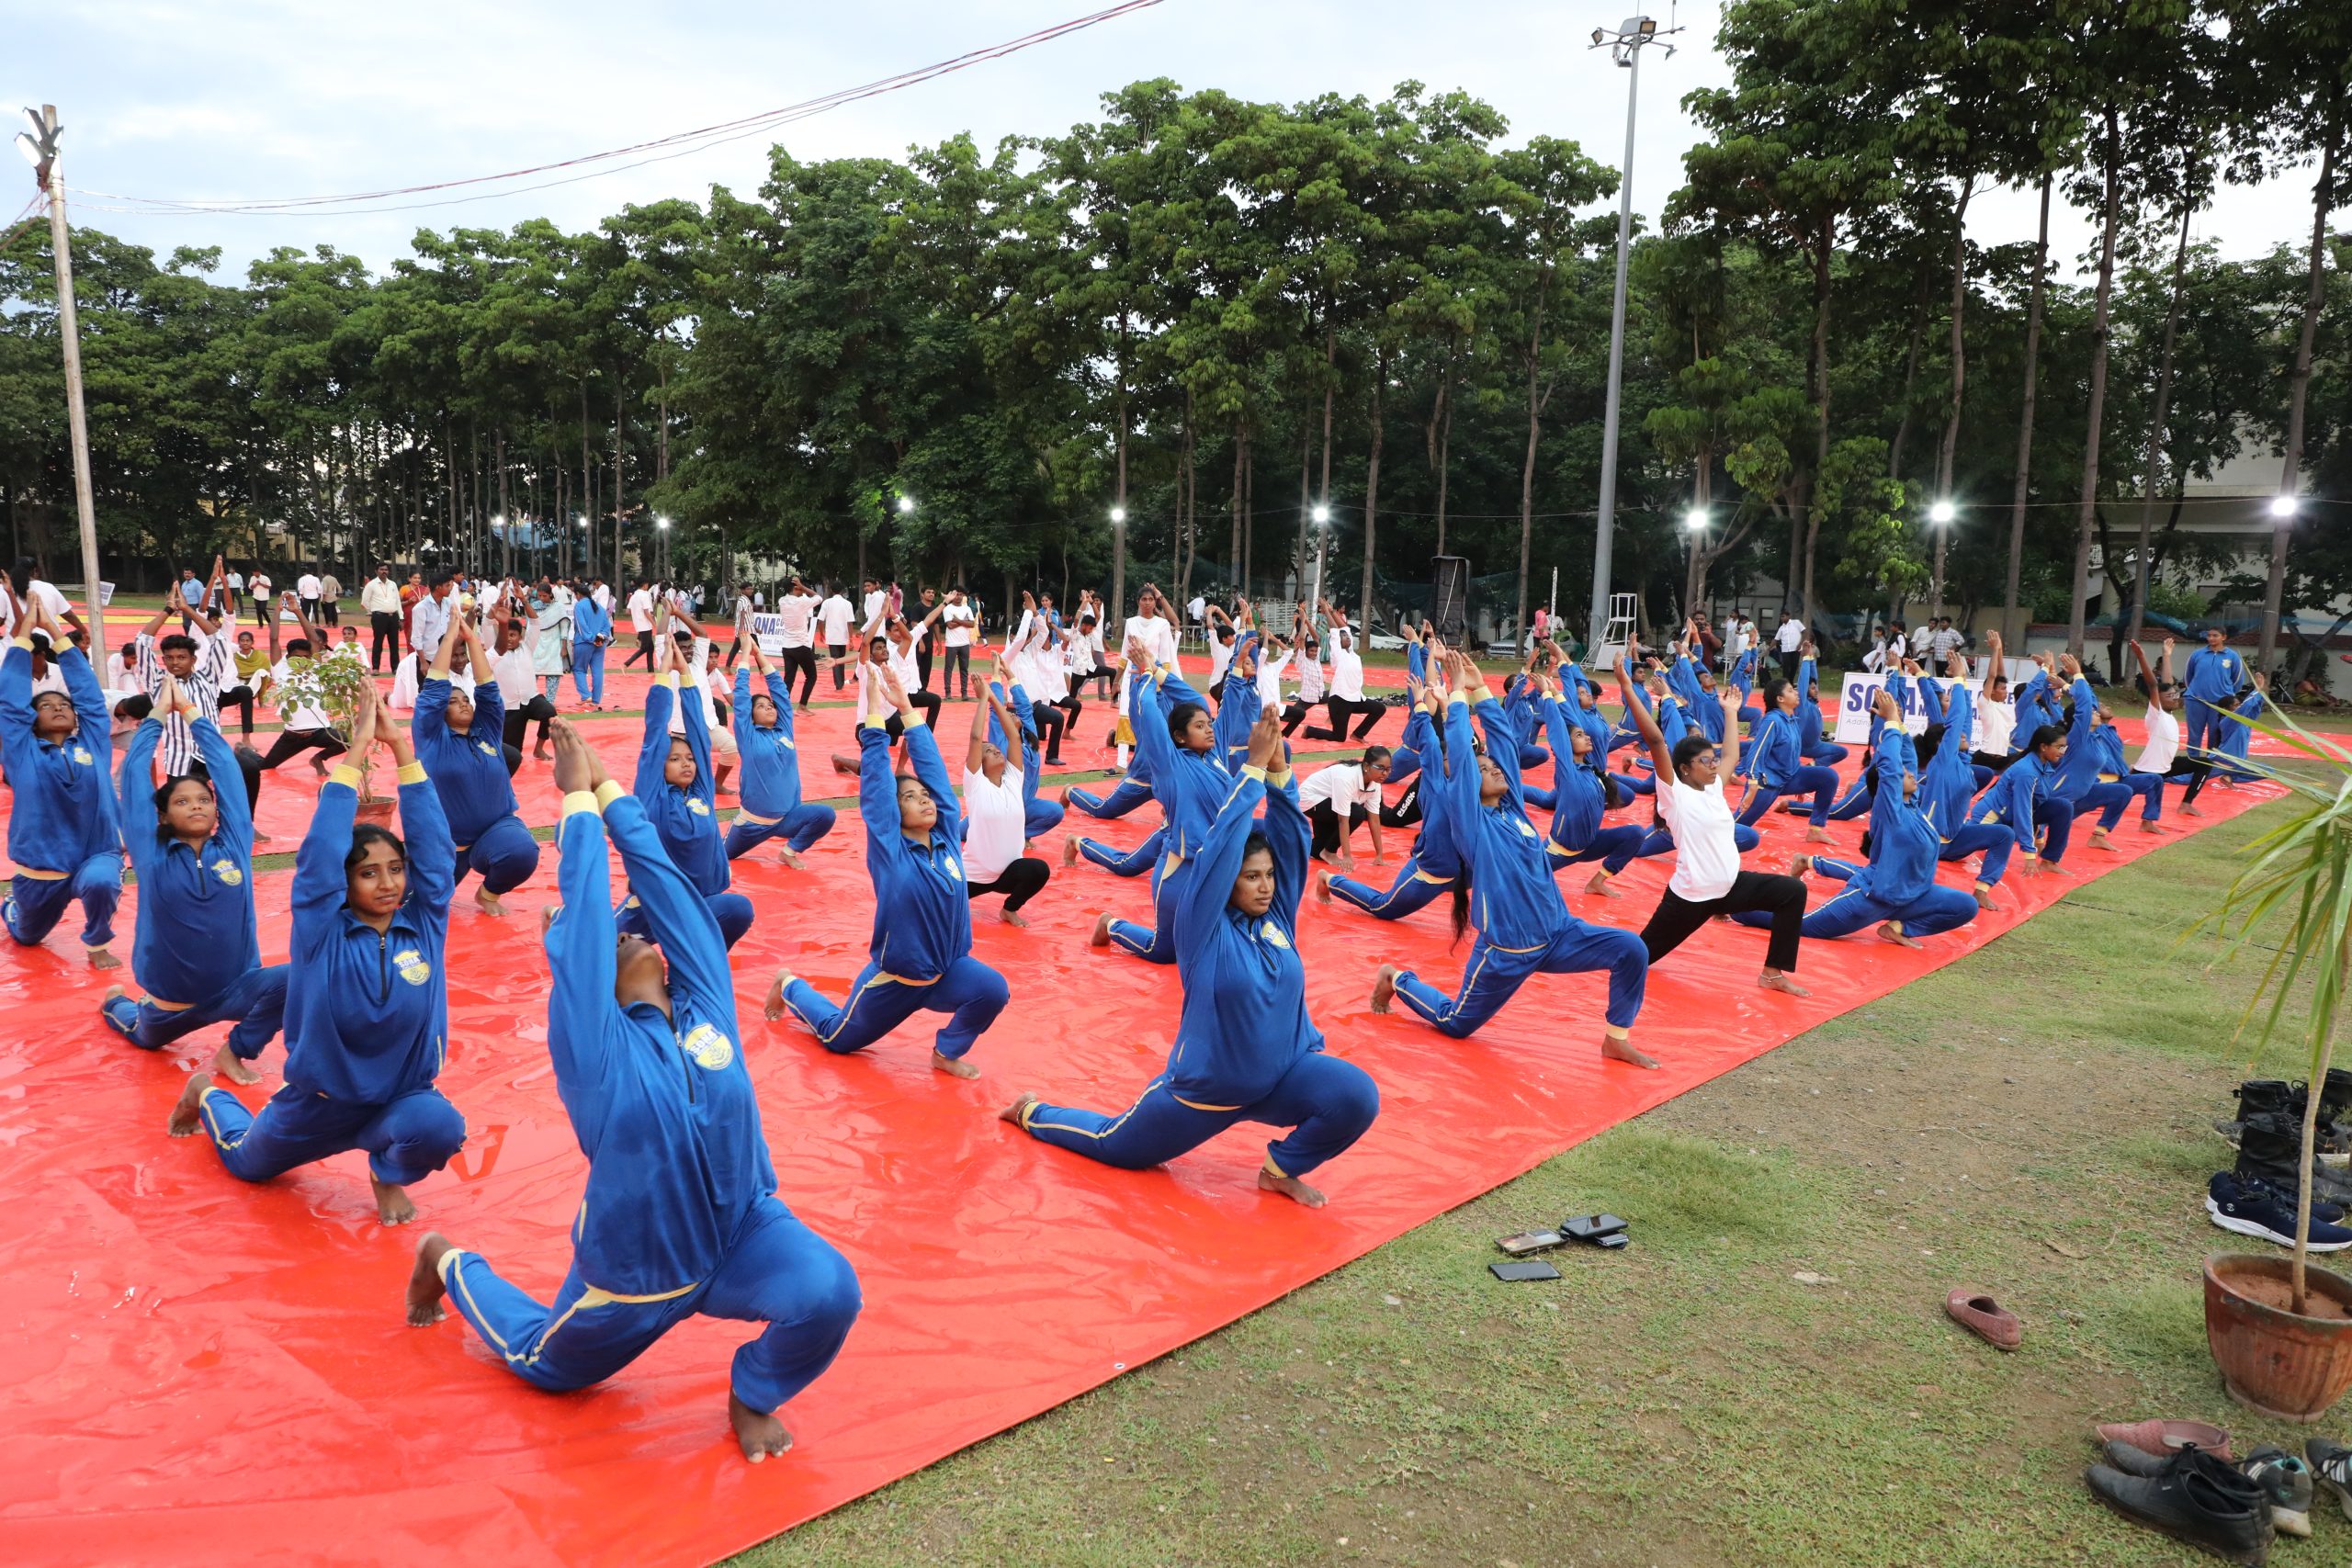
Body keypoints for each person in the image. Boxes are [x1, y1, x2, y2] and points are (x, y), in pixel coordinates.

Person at [403, 719, 859, 1464]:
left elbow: (676, 900)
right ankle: (448, 1260)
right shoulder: (596, 1048)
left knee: (832, 1291)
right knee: (542, 1366)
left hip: (743, 1233)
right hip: (637, 1268)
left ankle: (753, 1391)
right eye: (614, 941)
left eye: (632, 933)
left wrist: (612, 794)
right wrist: (575, 807)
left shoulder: (704, 1007)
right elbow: (581, 929)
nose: (629, 936)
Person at [1005, 712, 1379, 1206]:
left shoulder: (1277, 918)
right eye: (1251, 877)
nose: (1265, 885)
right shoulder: (1202, 925)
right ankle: (1032, 1112)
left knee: (1357, 1096)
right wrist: (1249, 773)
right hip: (1206, 1092)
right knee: (1115, 1144)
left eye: (1267, 875)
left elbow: (1294, 844)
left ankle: (1279, 1169)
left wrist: (1281, 773)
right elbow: (1220, 847)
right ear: (1226, 881)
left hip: (1286, 1074)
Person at [166, 676, 464, 1224]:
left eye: (396, 870)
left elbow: (438, 857)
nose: (387, 883)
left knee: (441, 1127)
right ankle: (207, 1095)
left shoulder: (424, 924)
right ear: (344, 885)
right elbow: (321, 855)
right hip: (317, 1107)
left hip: (397, 1102)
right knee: (246, 1166)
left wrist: (401, 749)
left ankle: (385, 1172)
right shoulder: (321, 932)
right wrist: (353, 756)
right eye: (368, 874)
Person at [1370, 650, 1655, 1066]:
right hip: (1506, 951)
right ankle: (1396, 979)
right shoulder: (1470, 819)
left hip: (1559, 935)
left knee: (1631, 948)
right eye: (1486, 771)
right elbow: (1463, 760)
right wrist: (1453, 696)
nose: (1496, 771)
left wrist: (1481, 688)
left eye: (1496, 769)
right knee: (1455, 1023)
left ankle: (1616, 1037)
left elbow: (1503, 742)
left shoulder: (1514, 810)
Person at [763, 661, 1008, 1076]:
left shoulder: (947, 836)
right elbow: (876, 785)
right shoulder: (890, 850)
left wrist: (908, 709)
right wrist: (875, 710)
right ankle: (790, 986)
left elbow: (934, 772)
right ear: (895, 813)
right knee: (837, 1039)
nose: (925, 800)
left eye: (924, 795)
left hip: (948, 972)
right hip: (897, 982)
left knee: (992, 990)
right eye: (912, 798)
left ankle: (946, 1052)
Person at [101, 675, 288, 1079]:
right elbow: (134, 777)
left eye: (204, 799)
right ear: (164, 815)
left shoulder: (234, 844)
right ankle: (117, 1004)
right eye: (182, 801)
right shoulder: (151, 852)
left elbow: (228, 774)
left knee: (302, 980)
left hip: (235, 991)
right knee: (138, 1030)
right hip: (172, 1005)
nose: (197, 806)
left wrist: (191, 713)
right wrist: (155, 717)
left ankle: (236, 1051)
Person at [1614, 652, 1810, 997]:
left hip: (1730, 887)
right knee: (1636, 959)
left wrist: (1732, 713)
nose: (1713, 764)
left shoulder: (1714, 785)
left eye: (1712, 759)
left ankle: (1772, 973)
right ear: (1685, 768)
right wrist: (1628, 688)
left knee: (1792, 892)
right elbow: (1658, 741)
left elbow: (1733, 756)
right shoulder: (1674, 794)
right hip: (1691, 898)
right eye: (1705, 761)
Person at [1769, 690, 1978, 949]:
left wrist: (1898, 724)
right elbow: (1891, 765)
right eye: (1903, 775)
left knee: (1966, 906)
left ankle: (1898, 928)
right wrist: (1889, 724)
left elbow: (1907, 759)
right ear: (1889, 784)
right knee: (1800, 926)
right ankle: (1736, 908)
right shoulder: (1890, 808)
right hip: (1872, 899)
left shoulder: (1912, 803)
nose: (1911, 776)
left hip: (1912, 896)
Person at [3, 597, 124, 969]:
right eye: (45, 706)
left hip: (96, 854)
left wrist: (57, 633)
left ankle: (97, 943)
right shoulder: (22, 752)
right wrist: (25, 633)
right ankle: (11, 907)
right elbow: (9, 700)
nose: (58, 707)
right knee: (26, 937)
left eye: (64, 705)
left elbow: (88, 697)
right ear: (31, 721)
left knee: (103, 881)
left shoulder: (93, 745)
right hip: (42, 870)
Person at [623, 642, 754, 950]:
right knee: (599, 958)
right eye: (675, 759)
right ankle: (563, 919)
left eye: (690, 759)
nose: (686, 763)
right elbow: (655, 732)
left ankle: (701, 959)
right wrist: (664, 675)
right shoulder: (652, 797)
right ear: (660, 765)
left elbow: (696, 728)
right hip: (655, 906)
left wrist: (687, 675)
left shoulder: (701, 791)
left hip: (698, 900)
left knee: (739, 909)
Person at [413, 616, 539, 917]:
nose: (464, 703)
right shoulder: (432, 739)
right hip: (448, 845)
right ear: (440, 714)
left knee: (523, 851)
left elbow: (488, 691)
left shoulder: (487, 731)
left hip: (495, 829)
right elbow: (433, 690)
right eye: (453, 701)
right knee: (420, 906)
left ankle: (487, 893)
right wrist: (449, 640)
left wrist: (472, 641)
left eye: (465, 699)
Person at [725, 639, 836, 869]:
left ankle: (788, 852)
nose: (769, 707)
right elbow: (742, 696)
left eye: (770, 705)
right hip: (752, 824)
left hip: (787, 819)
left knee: (826, 815)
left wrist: (759, 654)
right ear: (751, 715)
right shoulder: (748, 735)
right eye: (761, 706)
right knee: (716, 859)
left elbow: (780, 691)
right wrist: (746, 653)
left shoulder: (784, 728)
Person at [962, 674, 1052, 925]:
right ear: (980, 764)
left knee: (1039, 870)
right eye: (989, 752)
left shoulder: (1014, 778)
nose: (996, 750)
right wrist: (982, 700)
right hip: (973, 876)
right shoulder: (975, 784)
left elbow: (1013, 736)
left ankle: (1009, 909)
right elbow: (975, 739)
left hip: (1008, 873)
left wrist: (992, 697)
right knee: (935, 906)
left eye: (996, 748)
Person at [1736, 676, 1840, 835]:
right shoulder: (1772, 721)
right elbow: (1756, 753)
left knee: (1828, 777)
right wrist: (1753, 785)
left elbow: (1792, 753)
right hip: (1766, 784)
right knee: (1736, 828)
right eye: (1791, 690)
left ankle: (1815, 830)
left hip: (1791, 777)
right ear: (1780, 699)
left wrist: (1804, 781)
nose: (1797, 693)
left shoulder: (1792, 719)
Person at [1300, 746, 1392, 868]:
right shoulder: (1347, 777)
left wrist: (1379, 855)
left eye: (1388, 769)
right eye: (1380, 768)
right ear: (1366, 766)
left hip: (1329, 799)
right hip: (1311, 799)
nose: (1385, 773)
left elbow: (1374, 819)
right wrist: (1346, 856)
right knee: (1357, 813)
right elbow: (1343, 820)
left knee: (1317, 851)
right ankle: (1329, 852)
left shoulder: (1375, 783)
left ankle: (1304, 849)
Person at [1306, 603, 1384, 741]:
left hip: (1356, 699)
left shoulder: (1353, 654)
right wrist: (1326, 612)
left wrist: (1332, 611)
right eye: (1344, 637)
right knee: (1339, 737)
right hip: (1340, 701)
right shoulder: (1338, 654)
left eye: (1348, 637)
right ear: (1338, 642)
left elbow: (1344, 628)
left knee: (1379, 709)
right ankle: (1310, 731)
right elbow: (1335, 631)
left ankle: (1358, 734)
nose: (1347, 638)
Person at [491, 615, 557, 761]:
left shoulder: (527, 648)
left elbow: (535, 622)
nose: (508, 638)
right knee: (514, 753)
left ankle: (539, 748)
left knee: (549, 712)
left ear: (520, 637)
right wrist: (495, 610)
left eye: (513, 635)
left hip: (531, 699)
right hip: (509, 706)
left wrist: (524, 601)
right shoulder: (494, 652)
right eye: (505, 635)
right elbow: (487, 625)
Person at [2181, 625, 2247, 758]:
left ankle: (2210, 765)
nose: (2211, 638)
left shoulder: (2233, 657)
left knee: (2215, 735)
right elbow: (2188, 676)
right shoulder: (2197, 654)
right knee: (2194, 735)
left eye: (2215, 635)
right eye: (2209, 635)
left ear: (2224, 637)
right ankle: (2192, 763)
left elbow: (2237, 680)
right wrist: (2194, 692)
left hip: (2220, 705)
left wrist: (2226, 697)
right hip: (2196, 700)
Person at [775, 577, 822, 705]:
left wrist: (800, 587)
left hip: (787, 646)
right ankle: (802, 705)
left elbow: (805, 598)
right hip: (801, 645)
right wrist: (804, 587)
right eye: (800, 587)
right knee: (812, 676)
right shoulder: (800, 603)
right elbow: (818, 597)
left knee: (789, 679)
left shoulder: (782, 601)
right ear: (796, 588)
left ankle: (782, 706)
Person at [570, 580, 611, 710]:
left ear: (578, 594)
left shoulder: (579, 605)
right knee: (597, 671)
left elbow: (581, 626)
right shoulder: (599, 607)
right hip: (600, 643)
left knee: (579, 669)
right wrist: (601, 637)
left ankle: (585, 694)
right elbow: (606, 626)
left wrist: (590, 638)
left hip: (584, 642)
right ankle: (596, 699)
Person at [363, 564, 402, 671]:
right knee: (378, 642)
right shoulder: (371, 585)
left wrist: (401, 618)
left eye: (386, 570)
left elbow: (397, 601)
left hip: (393, 616)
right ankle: (376, 668)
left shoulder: (393, 584)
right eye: (381, 569)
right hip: (379, 617)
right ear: (376, 571)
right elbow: (365, 601)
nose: (384, 571)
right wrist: (373, 612)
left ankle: (395, 668)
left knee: (394, 644)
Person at [939, 587, 977, 698]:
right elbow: (950, 626)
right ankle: (948, 692)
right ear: (952, 596)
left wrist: (957, 620)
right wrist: (964, 621)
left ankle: (964, 693)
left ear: (963, 596)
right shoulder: (947, 609)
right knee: (948, 668)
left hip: (964, 643)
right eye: (956, 594)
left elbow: (972, 624)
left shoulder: (967, 608)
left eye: (960, 594)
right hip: (951, 643)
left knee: (964, 669)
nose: (958, 597)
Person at [818, 582, 854, 690]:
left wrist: (821, 633)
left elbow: (820, 620)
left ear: (831, 590)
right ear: (842, 591)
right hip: (843, 636)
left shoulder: (827, 603)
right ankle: (840, 682)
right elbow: (850, 622)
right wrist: (851, 639)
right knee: (841, 659)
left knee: (834, 659)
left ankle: (838, 683)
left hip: (832, 636)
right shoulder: (847, 603)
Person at [624, 580, 657, 669]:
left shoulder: (634, 596)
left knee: (650, 648)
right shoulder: (645, 595)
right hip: (645, 624)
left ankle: (651, 670)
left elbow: (627, 611)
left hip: (639, 624)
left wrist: (636, 613)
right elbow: (647, 612)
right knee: (645, 648)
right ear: (645, 584)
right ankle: (627, 663)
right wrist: (655, 624)